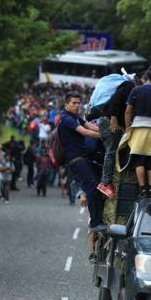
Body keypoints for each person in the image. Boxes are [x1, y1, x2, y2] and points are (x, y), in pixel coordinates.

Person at [59, 91, 103, 262]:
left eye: (79, 103)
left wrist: (104, 130)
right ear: (66, 104)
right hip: (75, 159)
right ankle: (96, 223)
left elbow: (90, 126)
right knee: (91, 187)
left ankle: (98, 220)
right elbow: (85, 132)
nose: (77, 105)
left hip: (84, 157)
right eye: (74, 103)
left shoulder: (76, 117)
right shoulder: (66, 119)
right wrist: (105, 135)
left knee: (97, 186)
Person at [119, 64, 151, 196]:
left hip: (138, 129)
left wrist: (128, 128)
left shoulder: (136, 90)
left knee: (139, 160)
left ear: (147, 76)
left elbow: (128, 111)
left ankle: (142, 189)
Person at [96, 75, 143, 198]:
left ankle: (112, 180)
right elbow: (116, 100)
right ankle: (105, 182)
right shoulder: (130, 85)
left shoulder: (136, 90)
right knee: (111, 150)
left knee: (118, 150)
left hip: (114, 123)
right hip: (109, 121)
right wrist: (114, 117)